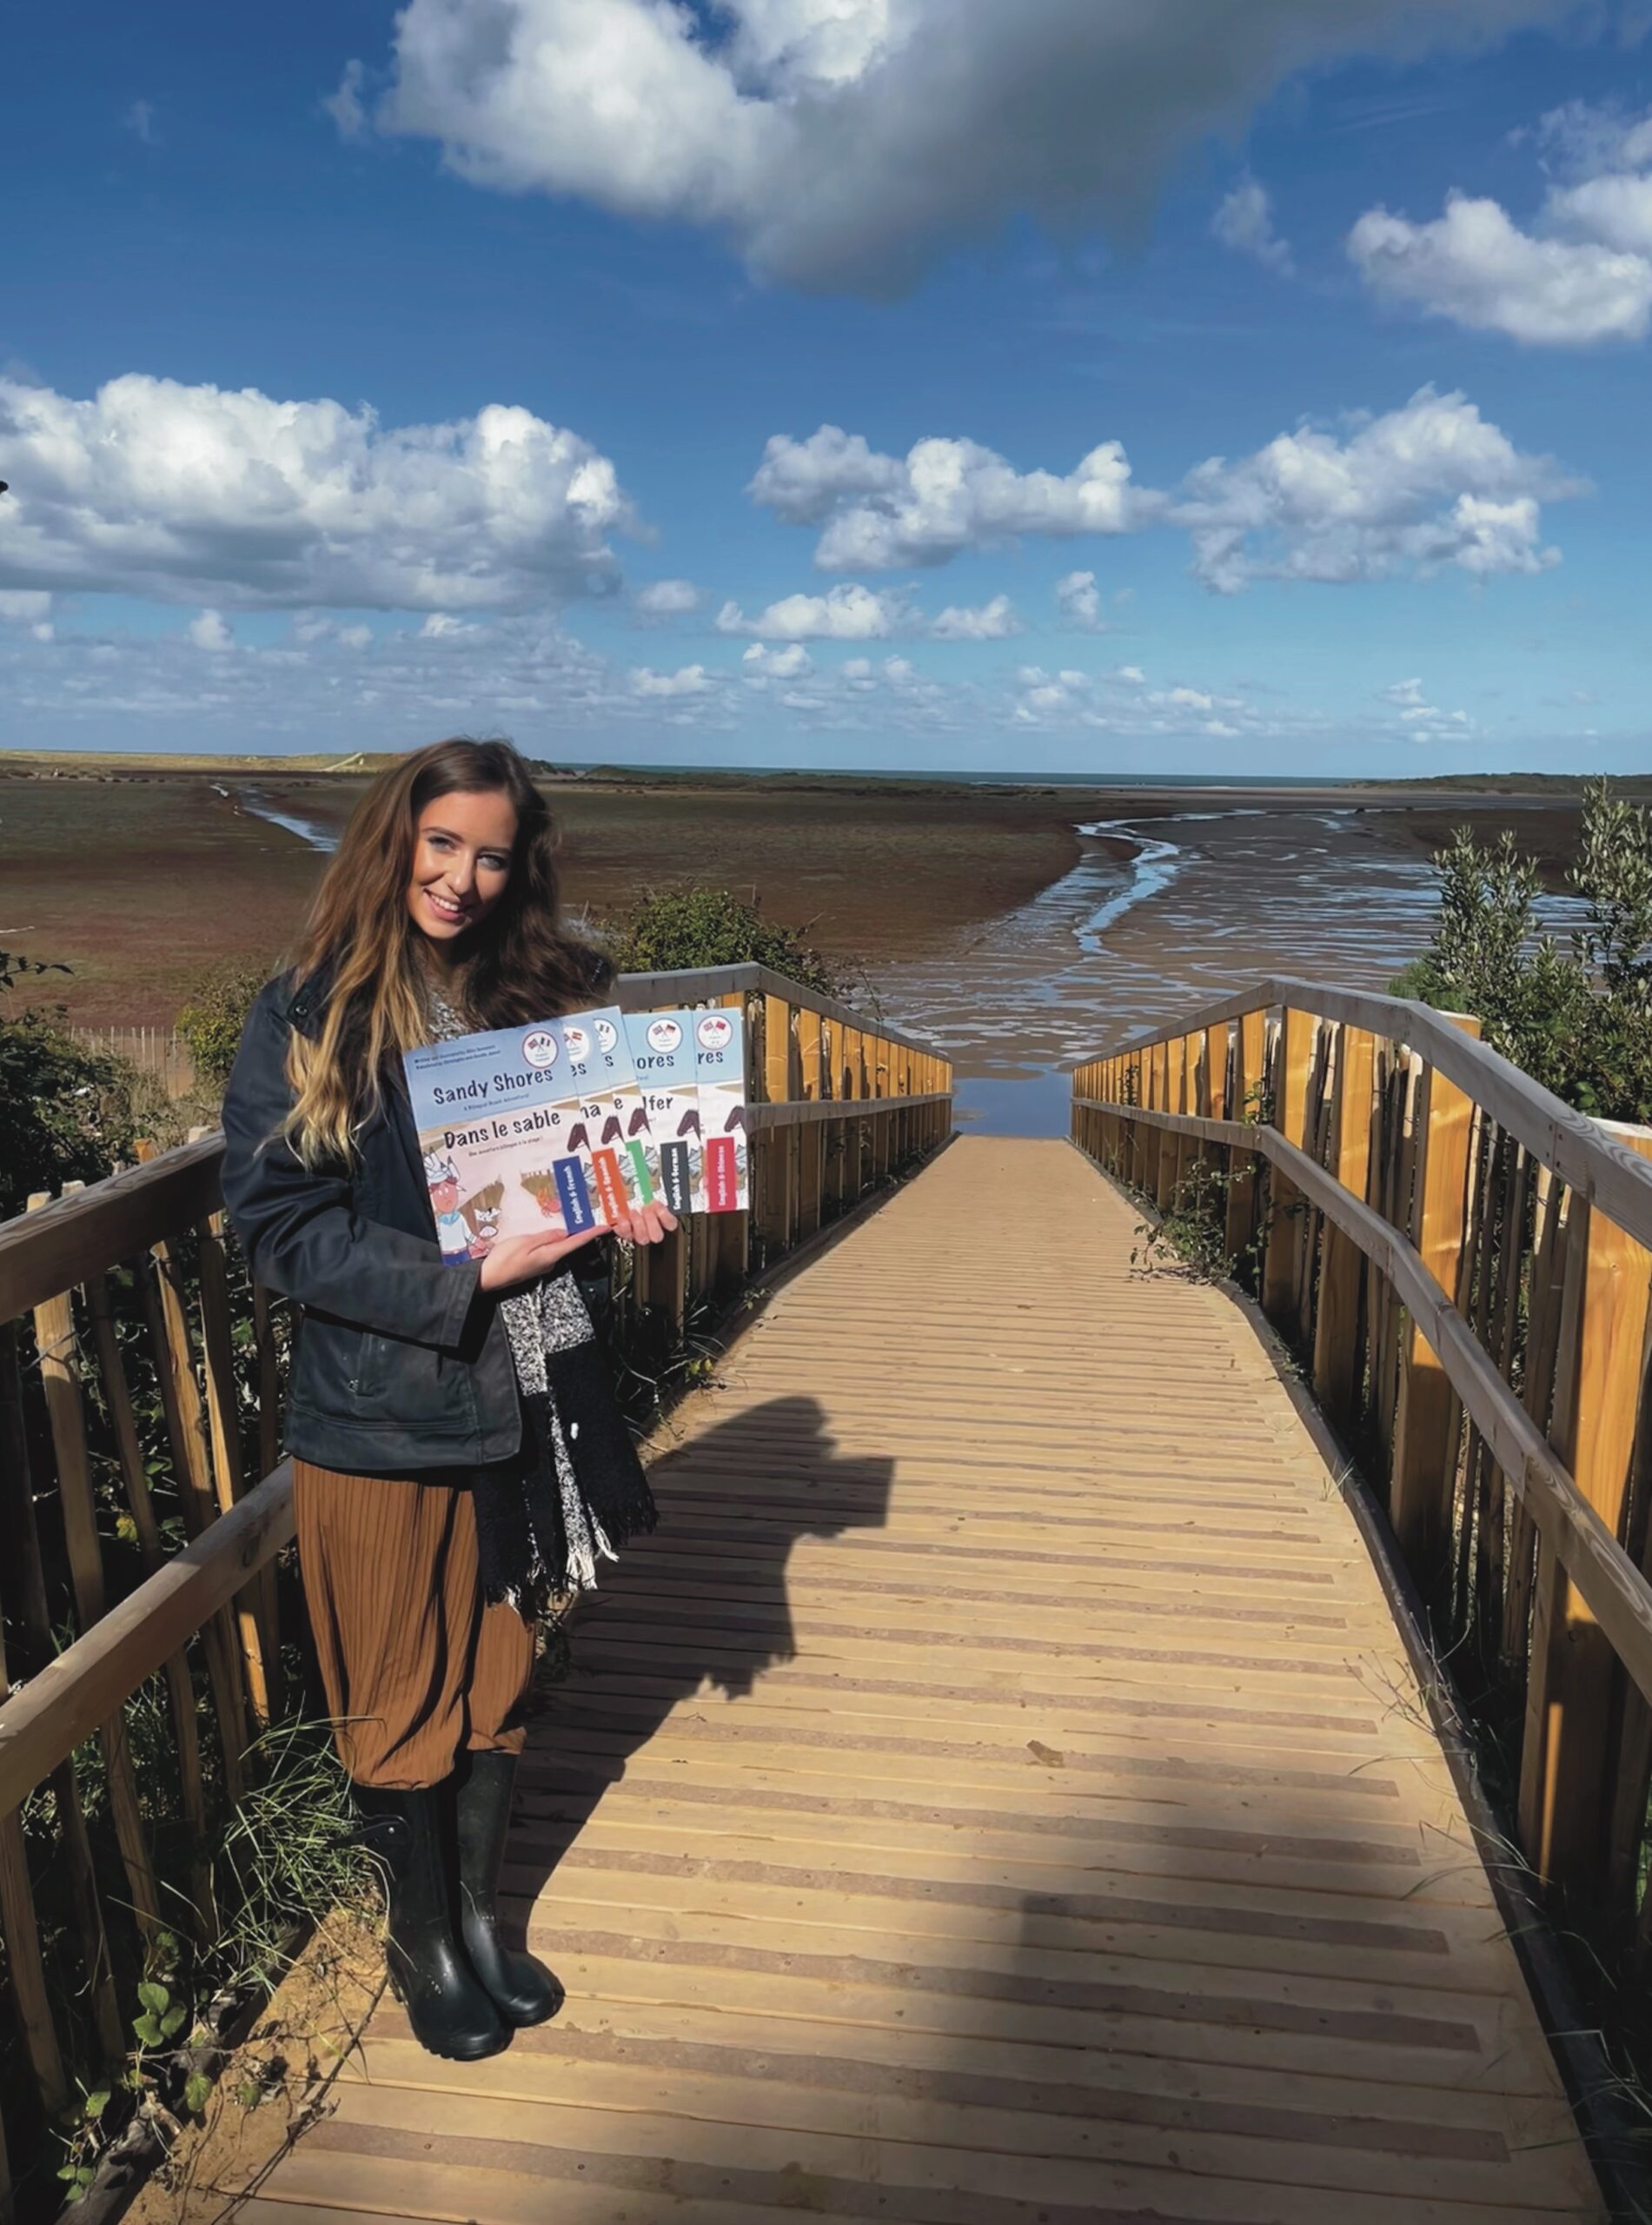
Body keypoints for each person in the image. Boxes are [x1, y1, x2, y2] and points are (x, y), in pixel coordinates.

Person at [221, 737, 675, 2063]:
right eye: (440, 848)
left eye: (489, 855)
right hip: (383, 1409)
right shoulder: (311, 1008)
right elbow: (276, 1226)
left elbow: (576, 1181)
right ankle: (417, 1942)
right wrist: (455, 1279)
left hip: (531, 1390)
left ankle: (476, 1920)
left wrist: (624, 1202)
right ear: (393, 842)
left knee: (494, 1677)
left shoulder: (542, 997)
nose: (463, 880)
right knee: (396, 1687)